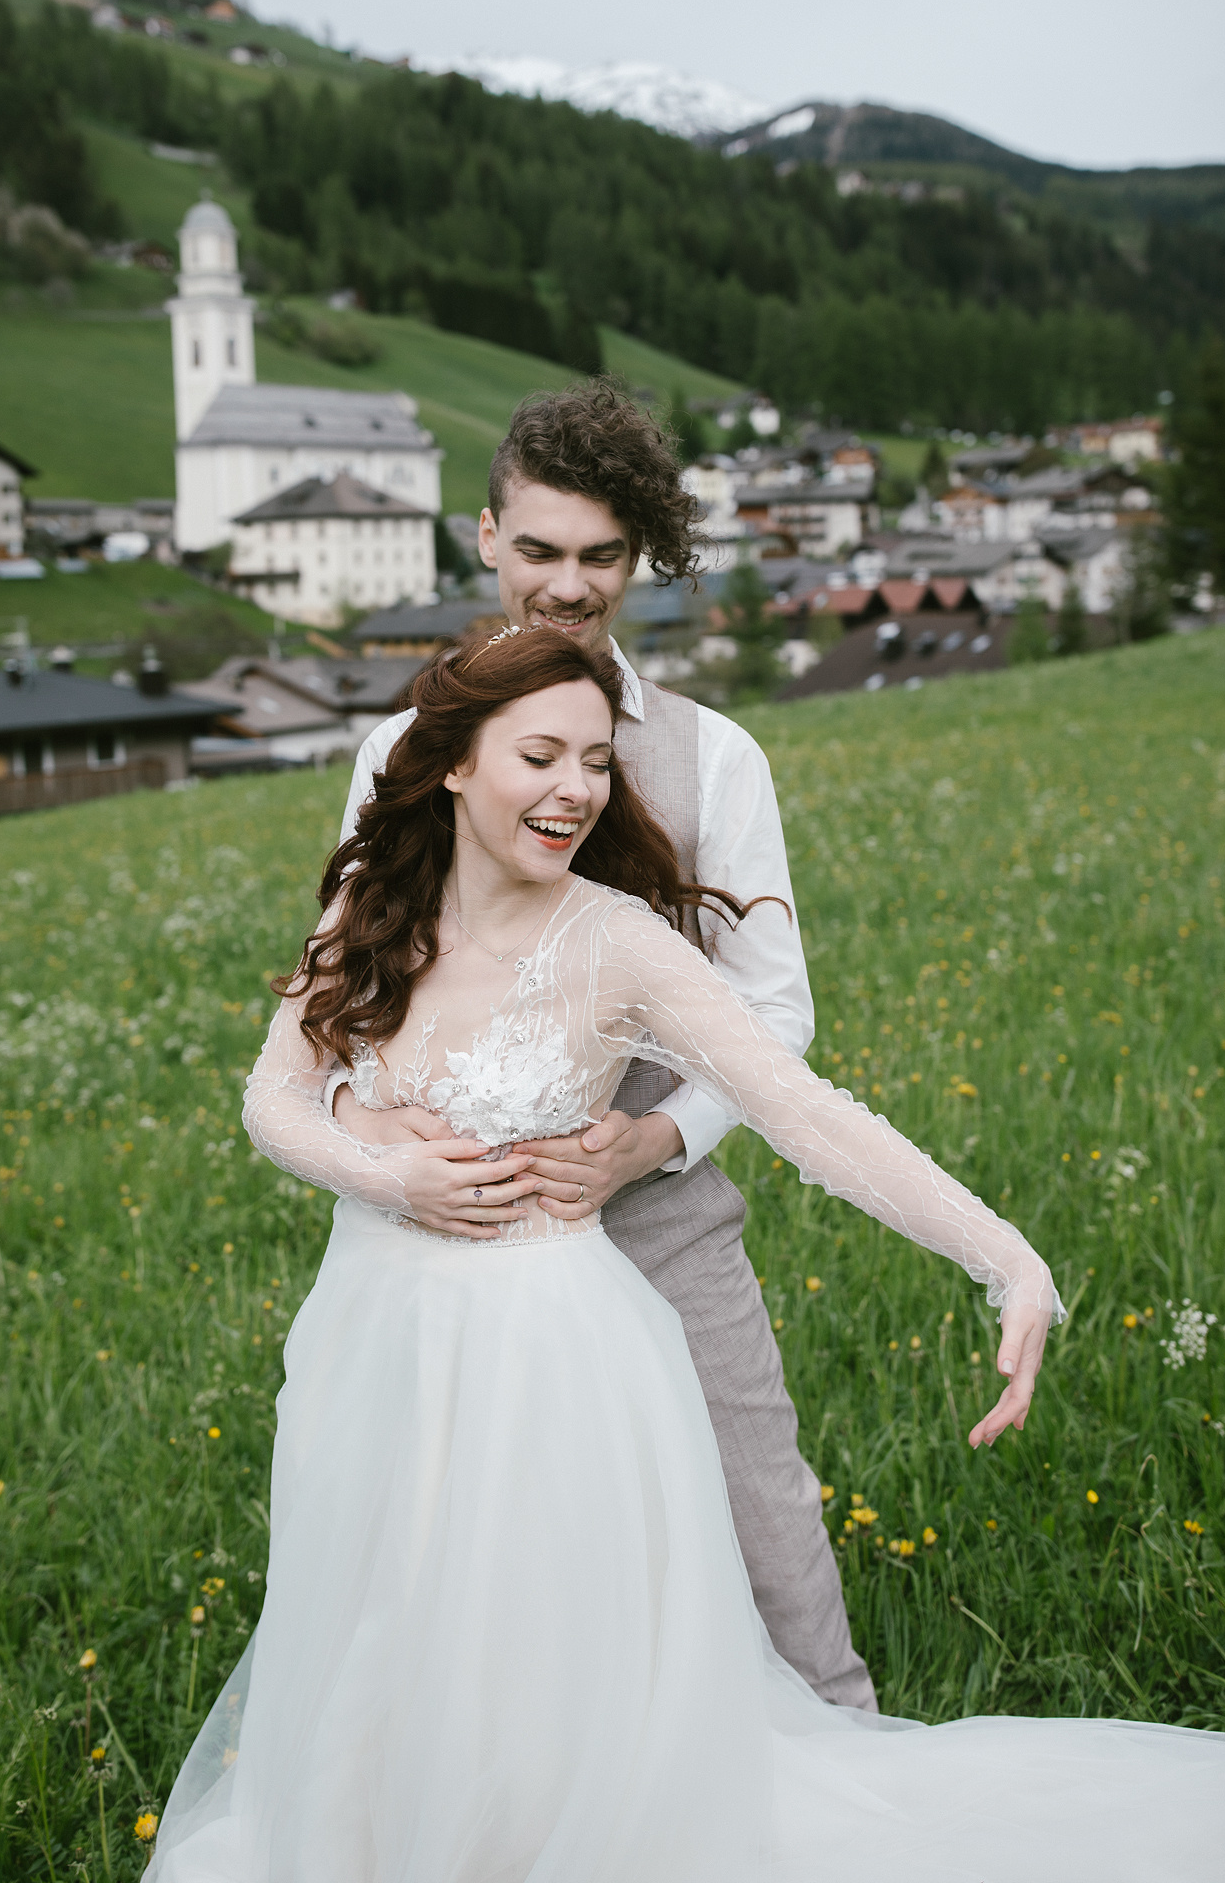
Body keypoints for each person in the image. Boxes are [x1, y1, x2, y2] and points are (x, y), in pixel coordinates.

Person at [153, 629, 1219, 1882]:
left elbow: (806, 1109)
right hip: (370, 1341)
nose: (574, 790)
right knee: (387, 1633)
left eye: (597, 763)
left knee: (540, 1662)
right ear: (450, 765)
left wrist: (1008, 1258)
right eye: (539, 756)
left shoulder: (618, 943)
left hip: (550, 1357)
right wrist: (381, 1166)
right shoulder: (371, 909)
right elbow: (274, 1097)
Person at [333, 379, 876, 1708]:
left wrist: (658, 1137)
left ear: (639, 560)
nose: (567, 586)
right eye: (538, 550)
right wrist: (381, 1138)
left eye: (600, 557)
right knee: (477, 1565)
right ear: (484, 538)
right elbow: (351, 996)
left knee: (761, 1519)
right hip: (457, 1242)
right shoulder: (400, 751)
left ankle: (835, 1739)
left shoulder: (714, 756)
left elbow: (776, 1010)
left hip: (666, 1224)